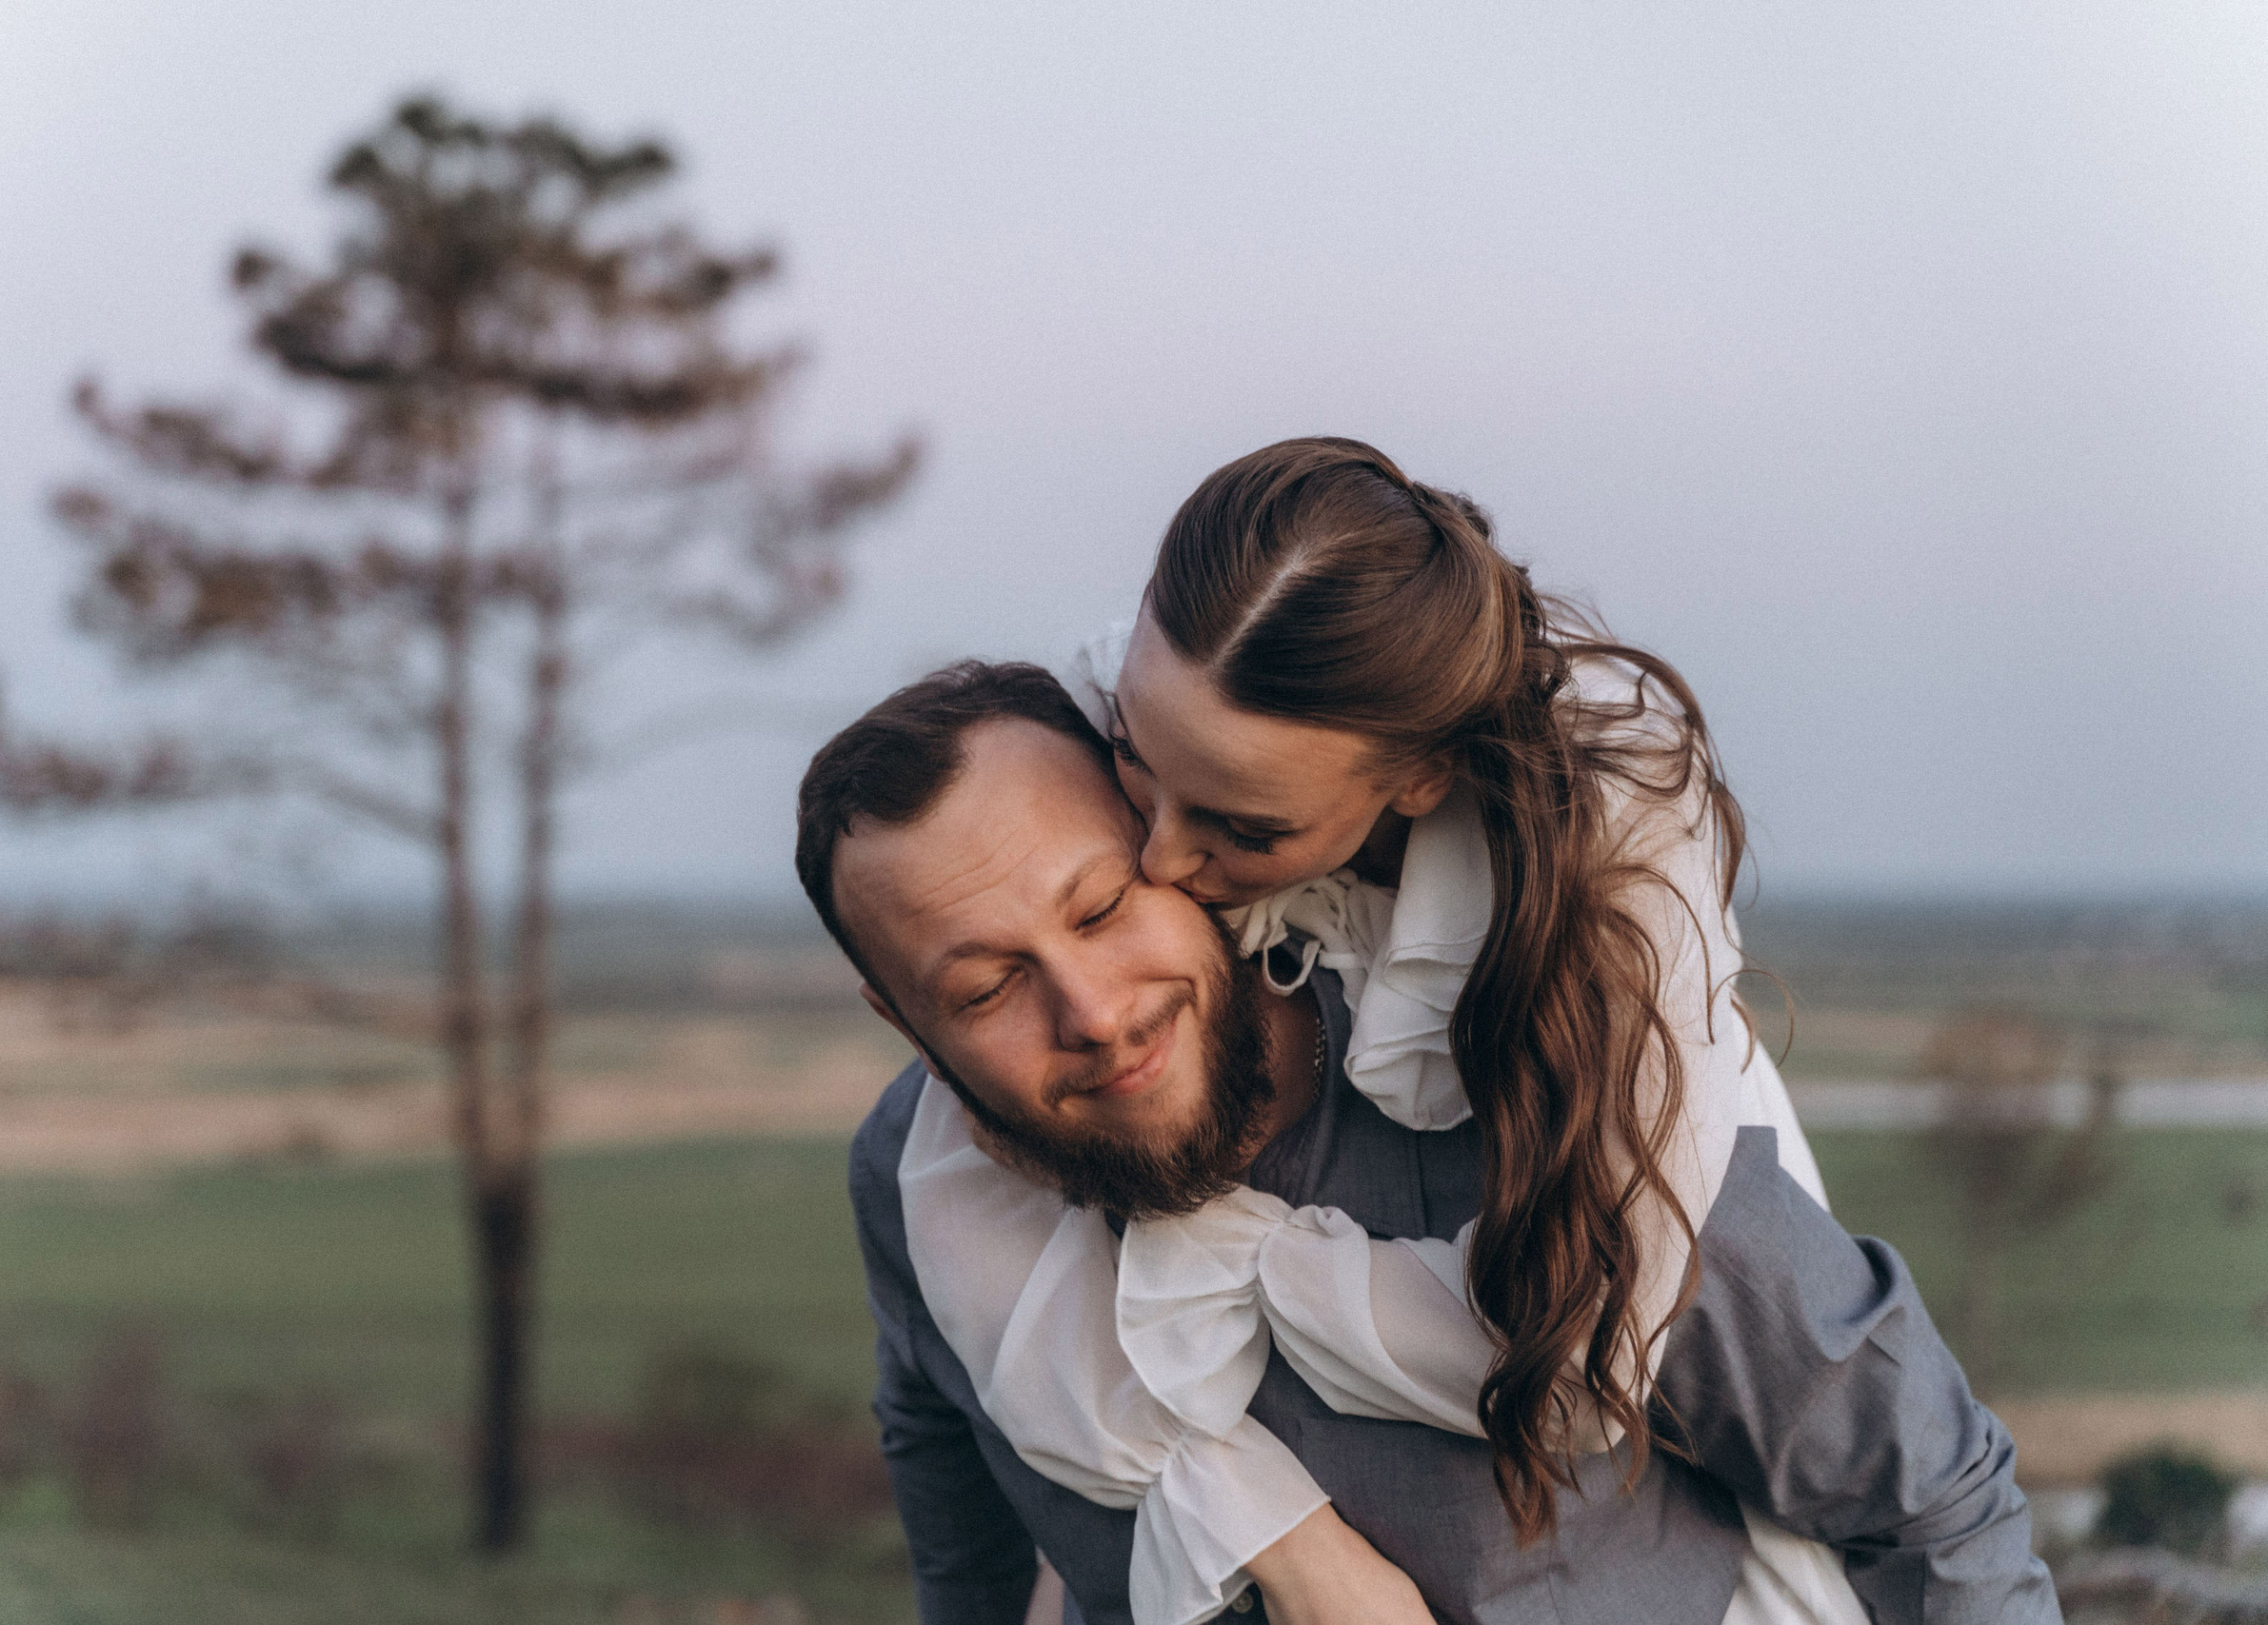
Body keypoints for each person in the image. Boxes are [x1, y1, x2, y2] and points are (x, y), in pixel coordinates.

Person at [798, 658, 2058, 1625]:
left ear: (1174, 838)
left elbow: (1934, 1500)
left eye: (1102, 905)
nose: (1094, 1012)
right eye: (980, 991)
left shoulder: (1547, 1096)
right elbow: (944, 1446)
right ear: (901, 1018)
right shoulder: (913, 1182)